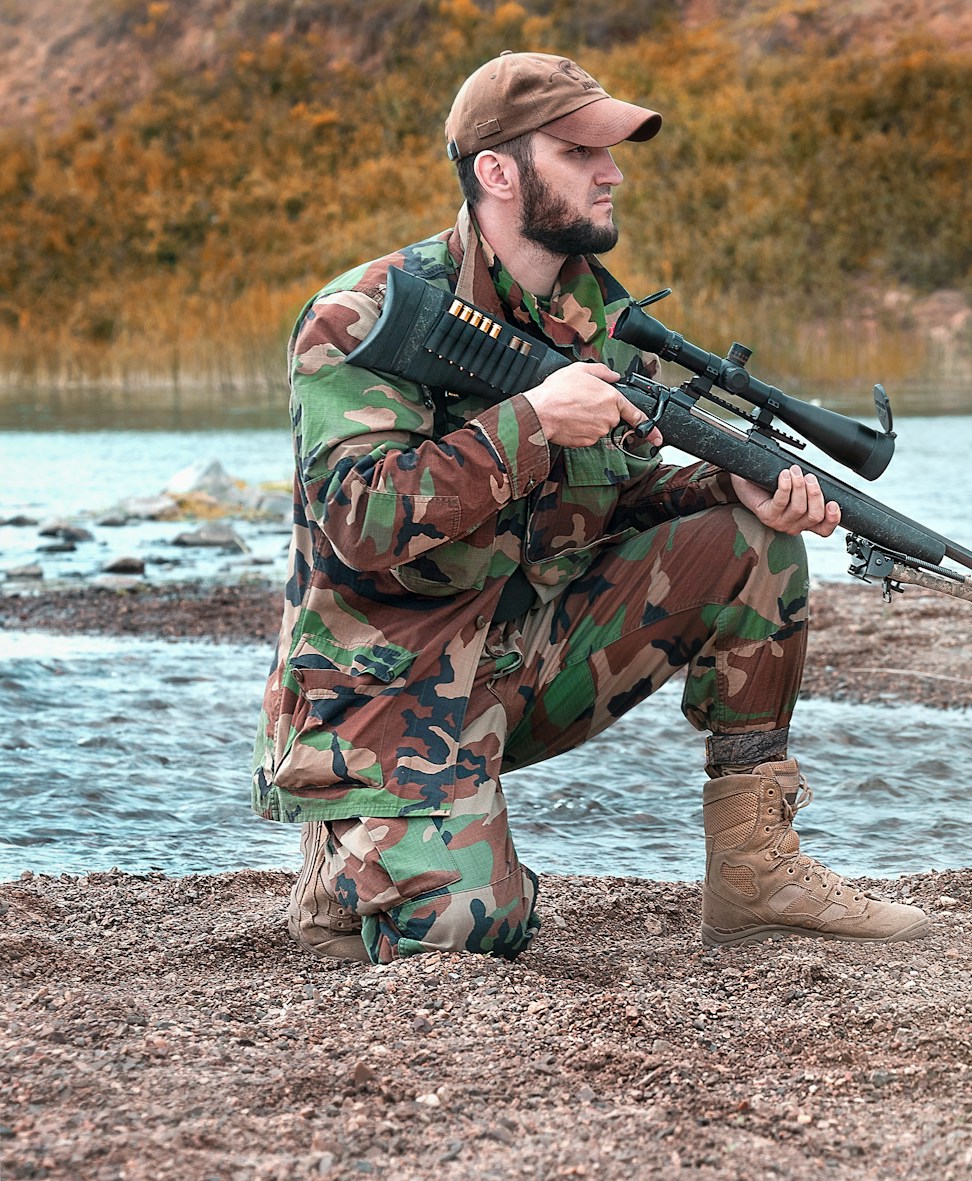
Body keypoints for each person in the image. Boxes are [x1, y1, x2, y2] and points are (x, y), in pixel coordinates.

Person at [251, 51, 930, 964]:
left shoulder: (597, 321)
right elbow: (355, 524)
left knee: (749, 542)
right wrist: (531, 423)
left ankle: (757, 877)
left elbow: (612, 502)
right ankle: (351, 866)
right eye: (580, 152)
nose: (611, 172)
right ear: (497, 171)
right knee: (468, 932)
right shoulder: (367, 318)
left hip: (522, 659)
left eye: (610, 152)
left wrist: (723, 486)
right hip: (386, 695)